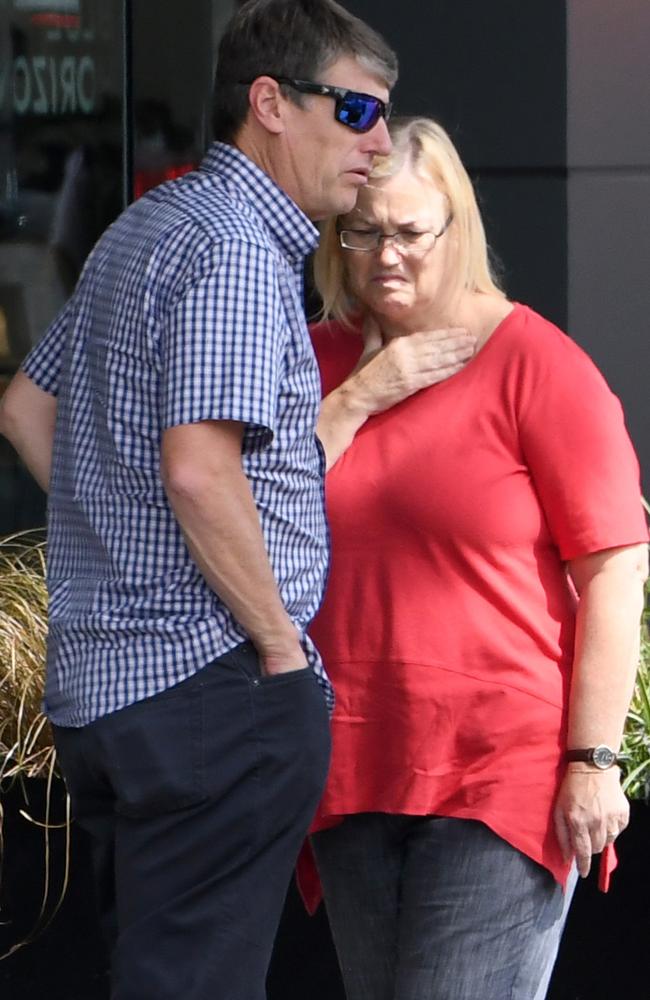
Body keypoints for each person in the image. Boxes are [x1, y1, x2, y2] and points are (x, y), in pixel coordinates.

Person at [0, 4, 424, 999]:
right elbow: (197, 466)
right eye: (355, 108)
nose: (376, 141)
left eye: (384, 115)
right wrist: (279, 648)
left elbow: (24, 408)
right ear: (268, 103)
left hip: (112, 696)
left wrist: (125, 533)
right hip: (213, 686)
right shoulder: (236, 248)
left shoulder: (143, 227)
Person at [303, 116, 649, 1000]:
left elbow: (613, 570)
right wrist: (360, 398)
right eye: (365, 230)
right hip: (353, 765)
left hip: (498, 769)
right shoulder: (318, 358)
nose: (386, 256)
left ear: (456, 226)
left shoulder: (536, 362)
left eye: (411, 232)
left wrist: (592, 761)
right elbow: (252, 517)